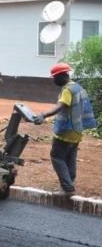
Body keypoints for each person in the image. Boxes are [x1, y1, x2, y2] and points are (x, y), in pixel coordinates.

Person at [32, 63, 97, 197]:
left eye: (55, 77)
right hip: (77, 131)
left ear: (62, 76)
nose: (54, 80)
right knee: (70, 159)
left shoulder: (67, 89)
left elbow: (60, 107)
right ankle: (69, 184)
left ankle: (67, 188)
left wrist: (43, 115)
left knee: (57, 156)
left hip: (66, 131)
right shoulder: (77, 87)